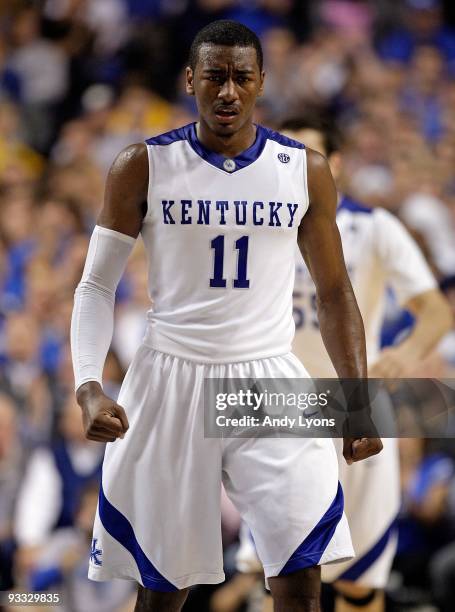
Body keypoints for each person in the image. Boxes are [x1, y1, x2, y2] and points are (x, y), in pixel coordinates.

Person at [70, 20, 382, 612]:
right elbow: (94, 286)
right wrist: (89, 385)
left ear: (262, 82)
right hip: (172, 375)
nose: (228, 91)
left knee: (300, 578)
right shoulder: (142, 164)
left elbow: (336, 293)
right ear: (191, 79)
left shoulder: (305, 169)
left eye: (242, 77)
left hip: (267, 375)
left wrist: (356, 400)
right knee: (164, 589)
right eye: (215, 76)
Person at [232, 114, 452, 612]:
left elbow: (436, 311)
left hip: (353, 403)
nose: (293, 165)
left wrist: (405, 354)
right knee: (279, 576)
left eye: (307, 153)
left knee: (359, 582)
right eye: (283, 153)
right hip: (279, 404)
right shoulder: (248, 227)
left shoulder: (373, 226)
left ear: (334, 163)